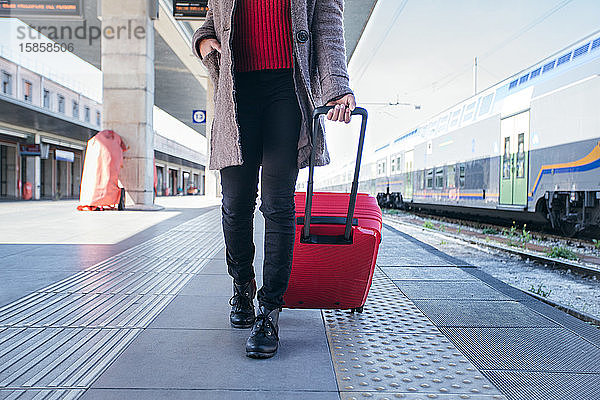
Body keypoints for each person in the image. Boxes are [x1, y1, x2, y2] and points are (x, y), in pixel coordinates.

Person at [192, 0, 356, 359]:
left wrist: (337, 86)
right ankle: (242, 283)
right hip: (237, 91)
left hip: (287, 90)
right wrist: (204, 42)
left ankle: (269, 309)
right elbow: (211, 21)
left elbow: (328, 26)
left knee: (278, 204)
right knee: (235, 205)